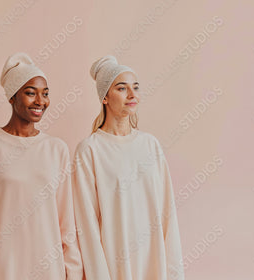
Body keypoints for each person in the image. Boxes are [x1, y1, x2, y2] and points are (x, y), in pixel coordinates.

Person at [0, 53, 83, 280]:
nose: (40, 101)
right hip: (3, 270)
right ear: (12, 96)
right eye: (30, 93)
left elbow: (66, 223)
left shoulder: (56, 149)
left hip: (51, 271)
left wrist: (73, 273)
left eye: (45, 94)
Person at [73, 55, 185, 280]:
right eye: (122, 88)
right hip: (114, 264)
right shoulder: (89, 151)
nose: (132, 95)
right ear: (105, 97)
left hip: (152, 260)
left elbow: (167, 211)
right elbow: (87, 223)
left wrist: (173, 270)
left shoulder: (150, 145)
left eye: (135, 87)